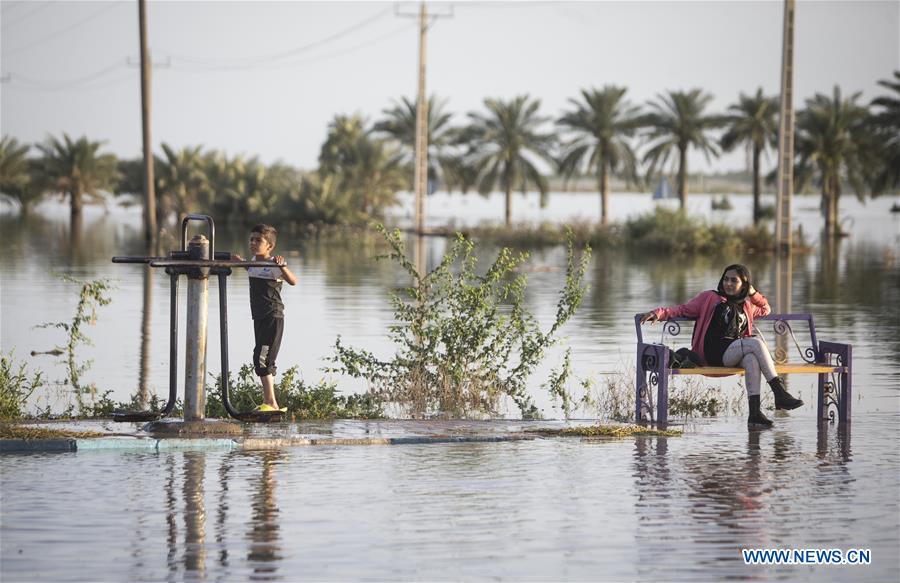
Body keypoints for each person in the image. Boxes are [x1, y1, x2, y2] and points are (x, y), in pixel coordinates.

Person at [639, 264, 803, 428]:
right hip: (713, 353)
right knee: (756, 343)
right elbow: (682, 309)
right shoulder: (710, 298)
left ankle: (754, 415)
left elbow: (765, 308)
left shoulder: (747, 305)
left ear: (744, 285)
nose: (728, 283)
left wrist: (752, 292)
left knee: (752, 359)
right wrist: (658, 313)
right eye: (726, 279)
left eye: (734, 280)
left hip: (733, 353)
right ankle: (779, 392)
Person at [233, 224, 297, 412]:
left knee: (262, 360)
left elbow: (293, 281)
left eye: (258, 240)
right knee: (263, 358)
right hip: (259, 318)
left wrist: (282, 266)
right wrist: (239, 262)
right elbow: (251, 269)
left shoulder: (274, 265)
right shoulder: (252, 263)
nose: (252, 243)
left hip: (272, 317)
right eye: (251, 239)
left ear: (269, 246)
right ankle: (269, 403)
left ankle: (271, 403)